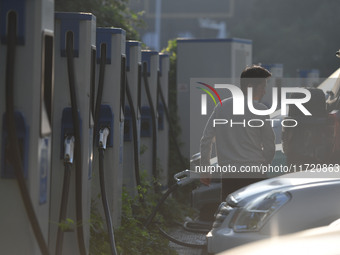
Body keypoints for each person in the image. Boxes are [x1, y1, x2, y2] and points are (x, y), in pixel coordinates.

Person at [200, 65, 275, 199]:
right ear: (251, 86)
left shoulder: (221, 107)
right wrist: (264, 166)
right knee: (254, 216)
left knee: (230, 213)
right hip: (254, 173)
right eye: (263, 87)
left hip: (229, 175)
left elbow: (206, 140)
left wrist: (205, 170)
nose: (264, 92)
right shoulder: (260, 109)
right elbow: (269, 145)